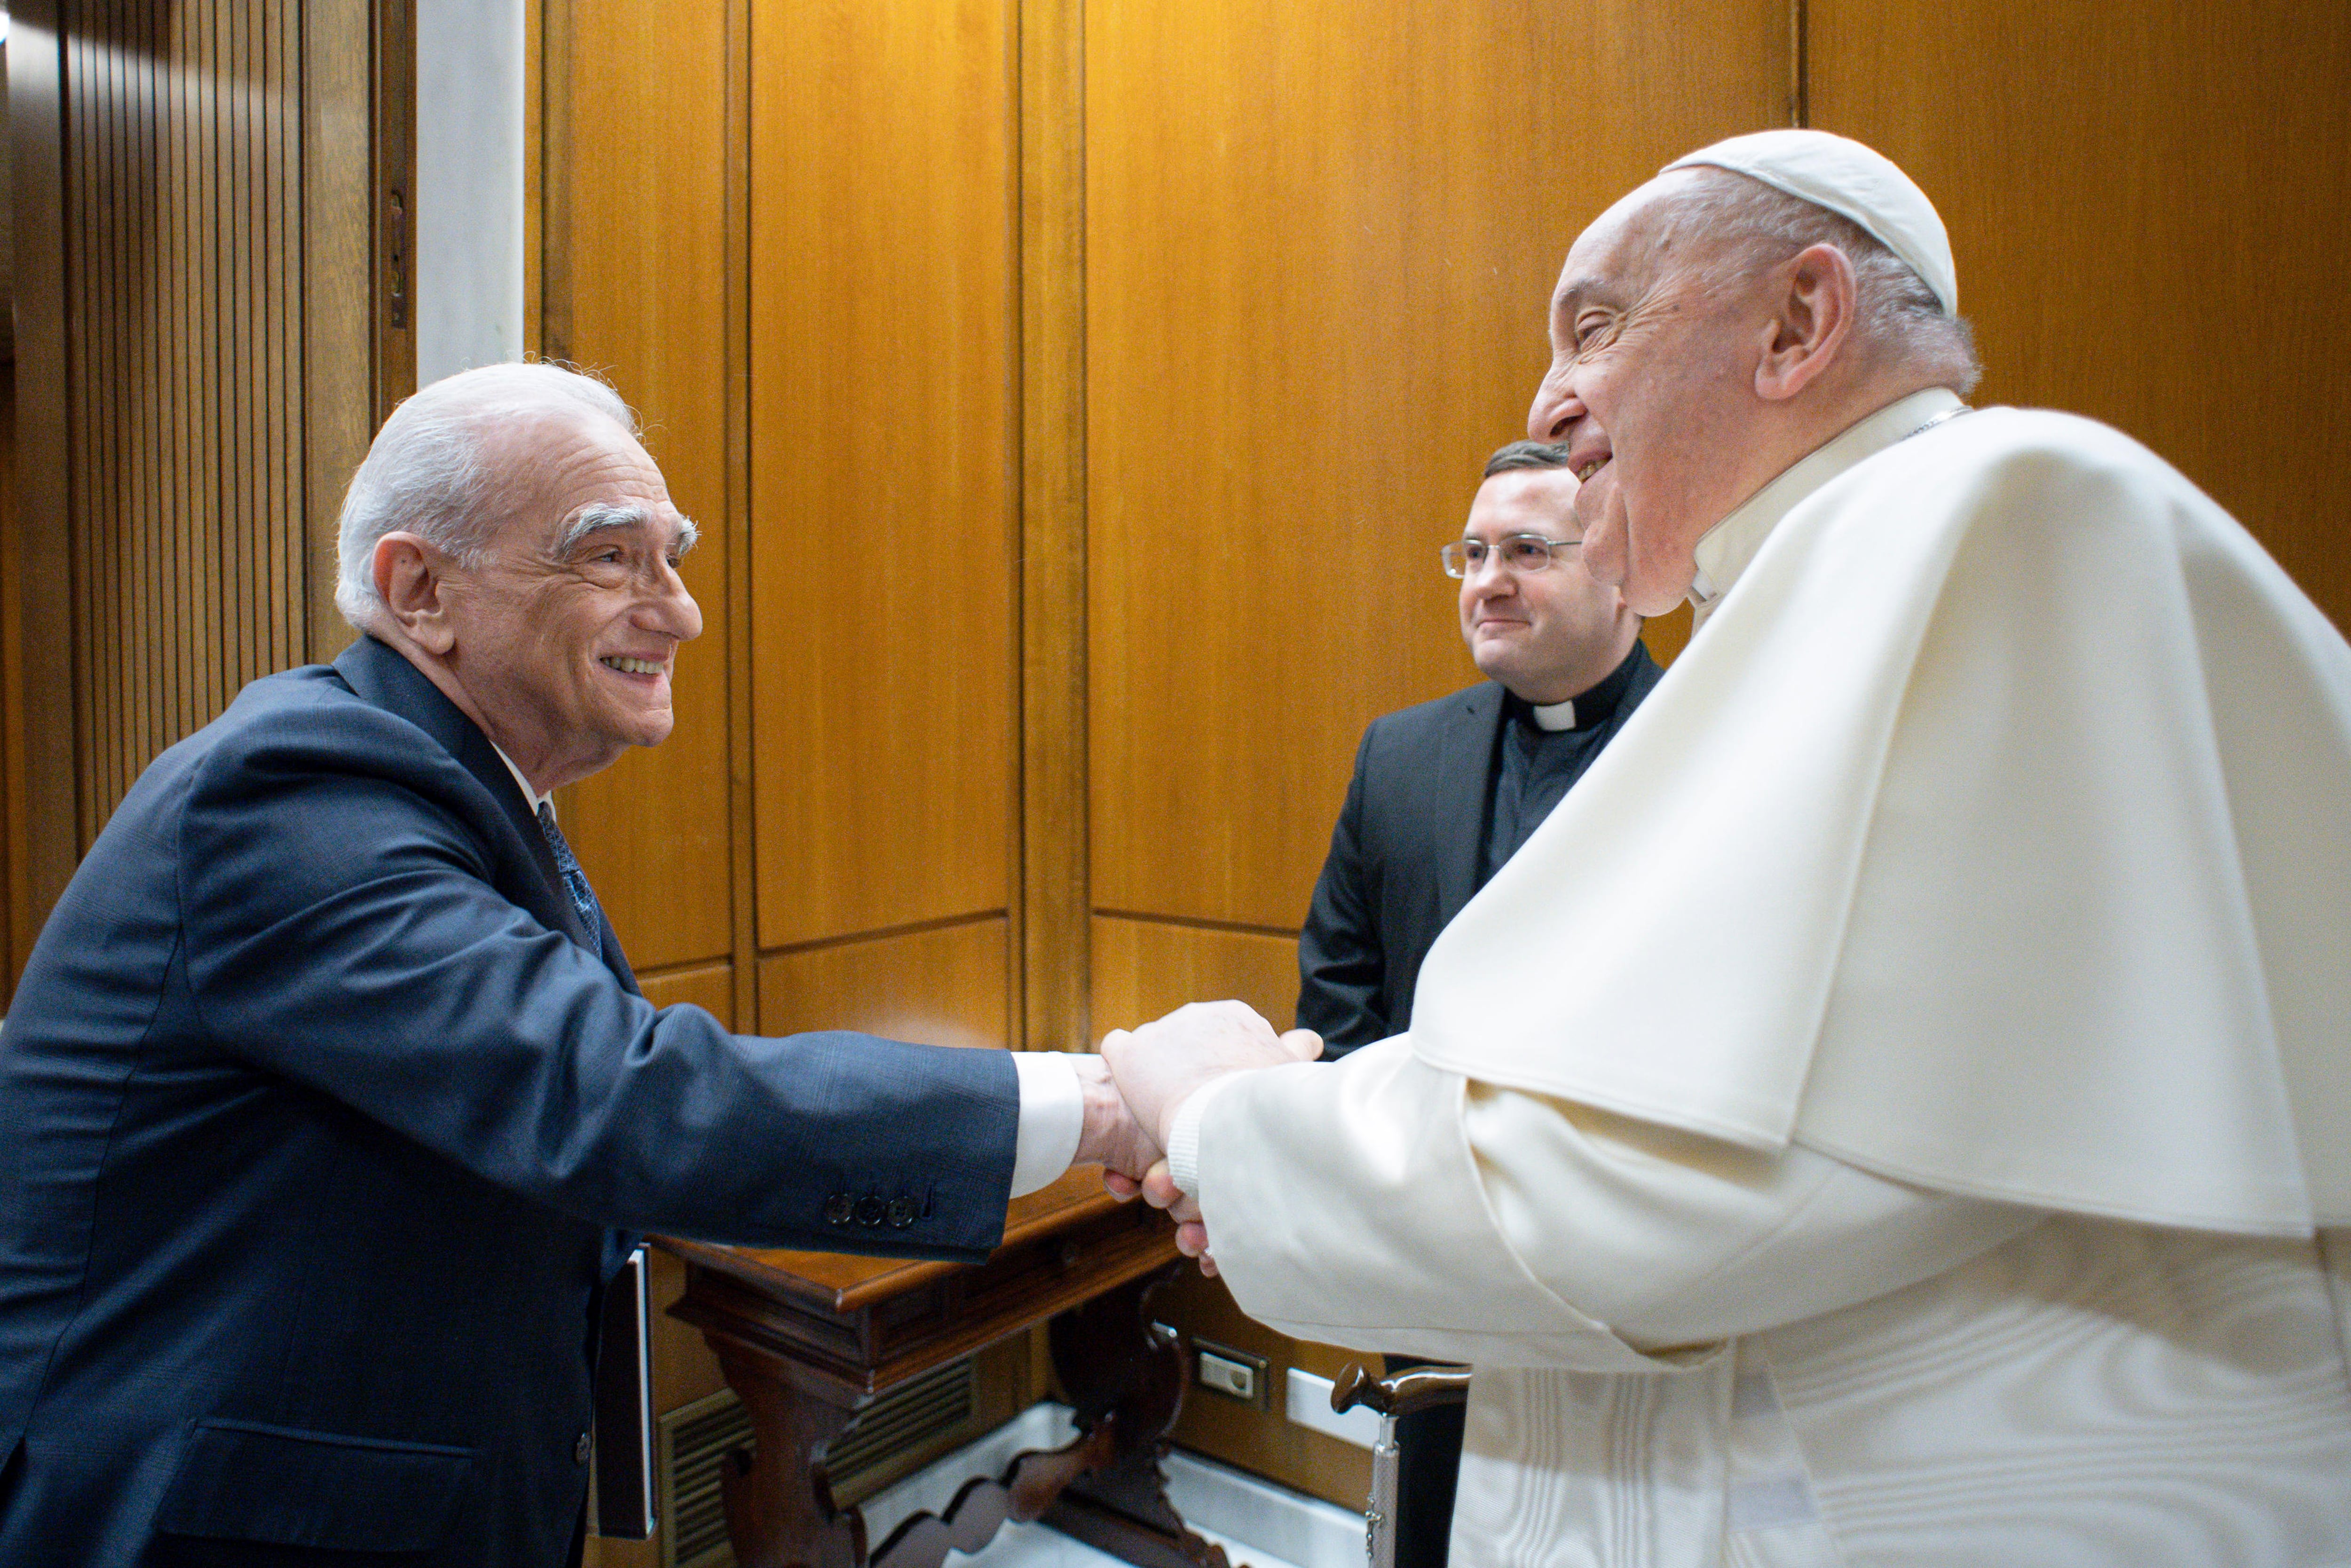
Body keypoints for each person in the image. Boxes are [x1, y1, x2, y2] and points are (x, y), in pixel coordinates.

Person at [1104, 131, 2351, 1566]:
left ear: (1796, 323)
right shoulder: (1802, 590)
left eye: (1596, 326)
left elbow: (1665, 1182)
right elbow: (1660, 1086)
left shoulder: (1994, 517)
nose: (1549, 402)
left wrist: (1223, 1123)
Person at [0, 362, 1152, 1568]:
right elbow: (618, 1097)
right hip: (200, 1519)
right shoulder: (294, 787)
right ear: (421, 588)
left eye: (673, 555)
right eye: (611, 558)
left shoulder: (467, 789)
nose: (680, 611)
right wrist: (1106, 1107)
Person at [1296, 440, 1654, 1567]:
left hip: (1626, 1289)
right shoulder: (1398, 758)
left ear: (1622, 569)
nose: (1486, 579)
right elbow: (1338, 999)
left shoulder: (1706, 746)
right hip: (1437, 1272)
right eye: (1473, 551)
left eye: (1529, 551)